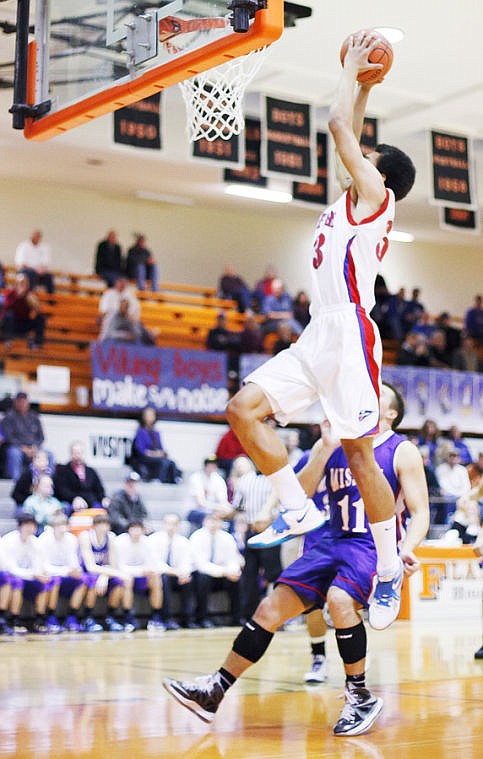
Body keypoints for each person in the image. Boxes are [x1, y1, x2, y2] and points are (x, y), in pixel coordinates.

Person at [224, 32, 416, 631]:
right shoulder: (347, 203)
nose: (357, 157)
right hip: (316, 335)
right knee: (243, 409)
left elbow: (337, 125)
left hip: (352, 331)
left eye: (367, 156)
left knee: (361, 455)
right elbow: (351, 134)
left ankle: (387, 569)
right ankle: (296, 510)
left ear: (378, 175)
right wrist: (363, 83)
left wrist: (351, 75)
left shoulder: (375, 196)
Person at [163, 383, 430, 734]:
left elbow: (420, 511)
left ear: (391, 412)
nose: (364, 392)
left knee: (339, 601)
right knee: (269, 609)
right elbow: (298, 497)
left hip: (370, 545)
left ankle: (359, 695)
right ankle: (216, 688)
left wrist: (402, 551)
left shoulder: (402, 450)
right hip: (331, 539)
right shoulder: (335, 441)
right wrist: (325, 449)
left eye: (376, 393)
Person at [38, 511, 96, 632]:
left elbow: (73, 560)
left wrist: (76, 569)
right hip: (52, 575)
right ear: (53, 526)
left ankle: (72, 616)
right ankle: (50, 617)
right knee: (55, 580)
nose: (62, 528)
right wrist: (67, 571)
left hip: (66, 574)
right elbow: (44, 566)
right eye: (59, 525)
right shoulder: (44, 539)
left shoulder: (71, 539)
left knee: (85, 579)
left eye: (64, 525)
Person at [1, 513, 56, 634]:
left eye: (32, 525)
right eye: (27, 525)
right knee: (15, 581)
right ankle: (10, 620)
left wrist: (41, 574)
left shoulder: (36, 543)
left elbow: (39, 565)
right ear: (19, 527)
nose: (30, 528)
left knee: (48, 581)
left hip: (28, 576)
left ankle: (40, 620)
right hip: (9, 576)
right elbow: (10, 568)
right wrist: (34, 575)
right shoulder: (8, 541)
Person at [189, 513, 244, 627]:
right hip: (203, 574)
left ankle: (237, 618)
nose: (213, 524)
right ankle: (201, 618)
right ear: (204, 522)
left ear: (221, 523)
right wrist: (225, 572)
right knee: (202, 579)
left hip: (223, 575)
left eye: (216, 521)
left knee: (237, 579)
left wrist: (233, 571)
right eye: (210, 521)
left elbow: (232, 559)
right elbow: (201, 565)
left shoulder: (227, 537)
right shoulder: (197, 537)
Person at [78, 512, 127, 632]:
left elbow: (113, 564)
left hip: (104, 572)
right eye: (100, 524)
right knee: (92, 580)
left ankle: (110, 617)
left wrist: (104, 575)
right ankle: (88, 618)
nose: (103, 528)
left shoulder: (110, 537)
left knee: (119, 582)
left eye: (106, 525)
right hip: (85, 572)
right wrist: (105, 574)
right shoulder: (85, 536)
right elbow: (90, 567)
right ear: (94, 526)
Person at [149, 514, 196, 630]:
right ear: (163, 525)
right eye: (168, 523)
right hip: (161, 575)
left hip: (178, 575)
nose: (171, 527)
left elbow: (188, 561)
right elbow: (156, 564)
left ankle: (187, 619)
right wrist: (176, 572)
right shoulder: (154, 539)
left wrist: (184, 573)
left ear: (178, 526)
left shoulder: (184, 541)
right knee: (163, 578)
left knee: (191, 578)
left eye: (174, 524)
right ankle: (167, 618)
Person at [115, 520, 163, 631]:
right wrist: (140, 571)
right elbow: (119, 566)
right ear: (128, 530)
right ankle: (128, 618)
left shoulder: (148, 542)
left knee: (156, 577)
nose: (136, 532)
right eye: (133, 529)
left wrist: (147, 570)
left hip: (142, 576)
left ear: (143, 531)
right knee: (128, 578)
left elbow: (152, 564)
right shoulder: (120, 541)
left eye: (138, 529)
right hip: (127, 575)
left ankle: (156, 617)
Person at [2, 391, 53, 481]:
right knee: (14, 453)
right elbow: (8, 437)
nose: (22, 404)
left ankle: (47, 482)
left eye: (24, 401)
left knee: (49, 454)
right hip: (17, 447)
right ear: (15, 402)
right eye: (20, 401)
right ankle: (16, 482)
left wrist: (35, 447)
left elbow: (41, 437)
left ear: (28, 402)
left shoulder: (34, 417)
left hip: (34, 447)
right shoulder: (9, 417)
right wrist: (23, 448)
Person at [130, 405, 182, 484]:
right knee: (163, 463)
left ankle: (174, 479)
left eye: (152, 415)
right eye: (148, 415)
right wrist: (153, 454)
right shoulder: (140, 432)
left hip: (157, 456)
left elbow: (160, 448)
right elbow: (141, 450)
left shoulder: (156, 433)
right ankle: (158, 479)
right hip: (145, 458)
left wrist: (161, 453)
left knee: (171, 463)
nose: (150, 417)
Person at [53, 441, 108, 513]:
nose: (77, 455)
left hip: (90, 501)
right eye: (75, 452)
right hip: (69, 502)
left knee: (101, 510)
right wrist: (75, 498)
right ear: (71, 454)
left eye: (80, 452)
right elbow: (61, 490)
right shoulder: (62, 471)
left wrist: (103, 498)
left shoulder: (91, 471)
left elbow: (99, 489)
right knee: (65, 508)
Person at [186, 456, 233, 531]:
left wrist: (227, 508)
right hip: (196, 511)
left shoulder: (219, 479)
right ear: (205, 466)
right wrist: (219, 507)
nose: (212, 467)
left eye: (214, 465)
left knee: (231, 517)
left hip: (214, 511)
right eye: (209, 465)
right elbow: (200, 502)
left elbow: (223, 500)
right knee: (208, 518)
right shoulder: (196, 478)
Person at [1, 272, 46, 348]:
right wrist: (18, 297)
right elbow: (6, 307)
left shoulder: (30, 295)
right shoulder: (10, 293)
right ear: (16, 284)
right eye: (20, 283)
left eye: (24, 283)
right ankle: (8, 340)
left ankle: (37, 343)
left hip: (24, 322)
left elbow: (38, 311)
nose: (21, 285)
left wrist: (33, 304)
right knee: (8, 315)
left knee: (40, 318)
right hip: (12, 323)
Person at [15, 230, 55, 294]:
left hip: (39, 272)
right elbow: (21, 262)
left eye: (38, 236)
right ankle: (29, 295)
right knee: (31, 273)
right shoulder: (23, 246)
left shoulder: (44, 247)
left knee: (49, 276)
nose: (36, 237)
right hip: (26, 271)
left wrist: (42, 269)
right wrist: (34, 269)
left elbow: (45, 261)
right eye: (34, 235)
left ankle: (51, 300)